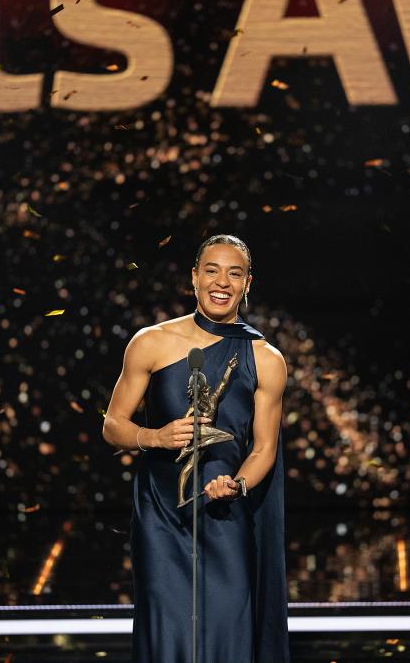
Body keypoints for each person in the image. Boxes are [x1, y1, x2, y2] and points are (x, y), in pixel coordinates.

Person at [102, 234, 290, 662]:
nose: (221, 282)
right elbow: (112, 425)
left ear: (247, 283)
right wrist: (154, 436)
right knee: (168, 627)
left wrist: (238, 485)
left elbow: (264, 448)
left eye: (234, 273)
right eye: (211, 271)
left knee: (227, 623)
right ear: (194, 277)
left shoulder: (267, 359)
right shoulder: (150, 342)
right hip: (162, 514)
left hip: (225, 512)